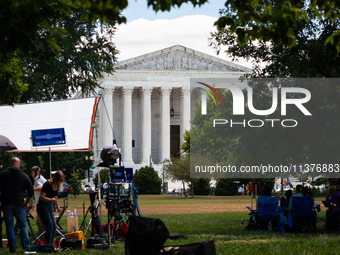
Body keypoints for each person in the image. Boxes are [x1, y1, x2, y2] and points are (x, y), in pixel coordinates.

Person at [0, 157, 34, 252]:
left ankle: (12, 249)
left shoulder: (3, 174)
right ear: (18, 165)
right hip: (19, 203)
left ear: (10, 164)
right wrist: (27, 202)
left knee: (9, 226)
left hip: (7, 204)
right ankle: (26, 247)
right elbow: (31, 191)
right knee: (23, 226)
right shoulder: (24, 176)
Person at [37, 170, 64, 244]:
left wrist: (57, 206)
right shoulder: (47, 184)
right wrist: (50, 199)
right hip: (42, 206)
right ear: (56, 178)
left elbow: (55, 196)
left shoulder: (57, 185)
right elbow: (42, 197)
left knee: (54, 225)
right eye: (61, 180)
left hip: (50, 206)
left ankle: (51, 242)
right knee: (49, 225)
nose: (62, 182)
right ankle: (48, 243)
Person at [31, 166, 47, 238]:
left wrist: (32, 189)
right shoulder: (41, 178)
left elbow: (41, 187)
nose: (32, 174)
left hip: (42, 203)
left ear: (36, 172)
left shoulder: (38, 178)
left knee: (40, 222)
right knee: (40, 221)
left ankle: (42, 237)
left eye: (32, 172)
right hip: (42, 202)